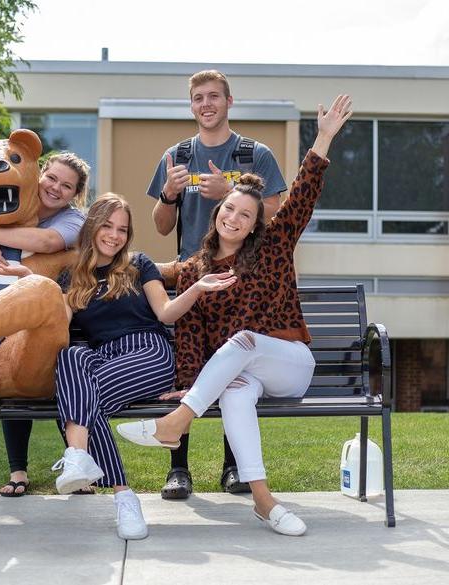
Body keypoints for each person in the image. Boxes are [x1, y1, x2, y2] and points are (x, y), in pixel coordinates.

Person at [119, 95, 354, 537]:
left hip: (290, 362)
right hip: (246, 372)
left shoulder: (274, 245)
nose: (235, 217)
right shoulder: (194, 270)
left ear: (253, 224)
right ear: (217, 212)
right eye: (229, 209)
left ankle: (175, 424)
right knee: (235, 393)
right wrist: (188, 382)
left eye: (245, 214)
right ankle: (265, 502)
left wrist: (323, 136)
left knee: (242, 340)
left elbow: (303, 193)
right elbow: (185, 331)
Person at [45, 193, 236, 540]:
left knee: (79, 403)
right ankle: (113, 487)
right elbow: (59, 328)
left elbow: (165, 313)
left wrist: (195, 288)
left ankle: (86, 462)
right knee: (70, 357)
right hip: (103, 355)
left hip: (148, 352)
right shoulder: (72, 276)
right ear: (92, 227)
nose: (114, 236)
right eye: (107, 226)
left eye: (122, 229)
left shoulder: (139, 264)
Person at [146, 69, 288, 499]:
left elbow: (276, 213)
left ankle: (232, 467)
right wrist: (170, 195)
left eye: (213, 96)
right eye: (197, 98)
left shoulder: (253, 154)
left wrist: (227, 190)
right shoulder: (177, 155)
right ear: (191, 106)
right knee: (185, 362)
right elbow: (160, 224)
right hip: (194, 275)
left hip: (242, 276)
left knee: (235, 370)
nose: (205, 104)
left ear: (229, 102)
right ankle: (179, 469)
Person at [0, 151, 90, 497]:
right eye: (52, 178)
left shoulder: (74, 220)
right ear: (40, 174)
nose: (55, 188)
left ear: (75, 194)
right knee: (7, 367)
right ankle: (18, 472)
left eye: (66, 186)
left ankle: (77, 468)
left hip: (48, 310)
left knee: (50, 367)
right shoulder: (6, 196)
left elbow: (47, 242)